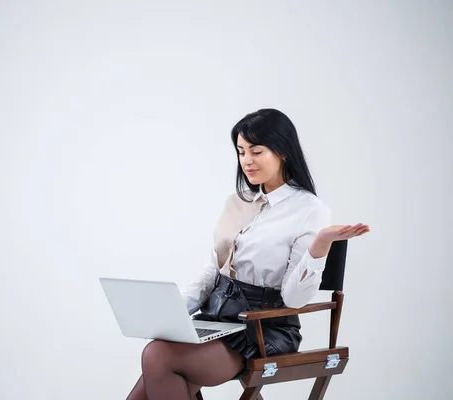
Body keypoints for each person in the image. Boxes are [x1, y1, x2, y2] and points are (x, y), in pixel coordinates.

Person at [126, 108, 370, 400]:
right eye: (241, 152)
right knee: (155, 365)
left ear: (283, 151)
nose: (247, 161)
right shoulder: (237, 201)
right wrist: (175, 312)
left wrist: (320, 247)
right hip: (218, 319)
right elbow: (214, 269)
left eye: (256, 151)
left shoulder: (309, 210)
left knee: (158, 356)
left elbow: (294, 299)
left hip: (263, 329)